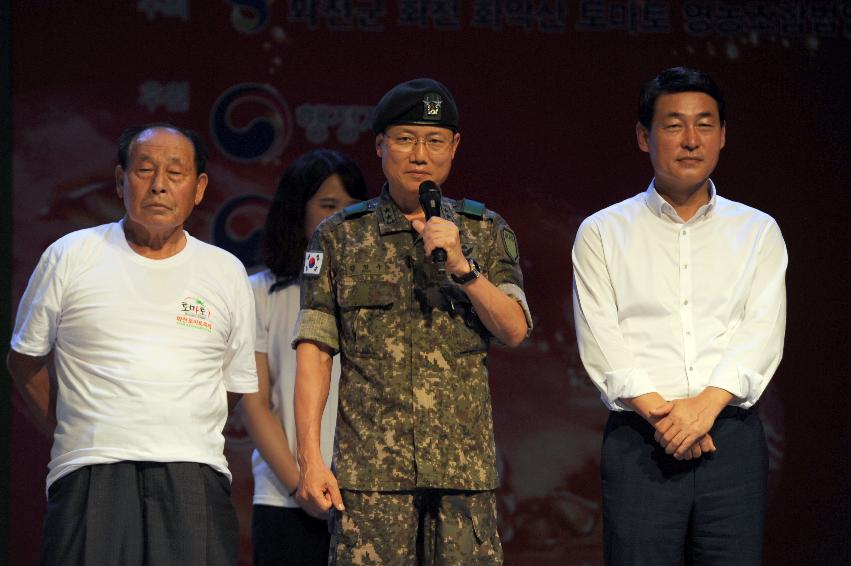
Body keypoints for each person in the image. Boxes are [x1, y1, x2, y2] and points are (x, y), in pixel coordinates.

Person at [292, 78, 533, 564]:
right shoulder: (338, 237)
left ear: (454, 147)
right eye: (405, 139)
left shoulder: (484, 232)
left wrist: (464, 269)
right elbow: (314, 353)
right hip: (371, 480)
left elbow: (514, 329)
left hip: (461, 477)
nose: (419, 154)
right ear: (380, 144)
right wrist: (310, 459)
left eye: (434, 141)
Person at [7, 123, 258, 565]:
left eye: (175, 173)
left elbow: (232, 384)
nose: (159, 184)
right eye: (145, 170)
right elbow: (23, 361)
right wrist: (73, 427)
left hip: (193, 474)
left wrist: (177, 427)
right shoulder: (70, 254)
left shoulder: (225, 271)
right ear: (121, 180)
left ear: (199, 188)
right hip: (91, 471)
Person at [572, 67, 787, 565]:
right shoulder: (603, 231)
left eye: (705, 124)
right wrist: (668, 419)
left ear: (723, 135)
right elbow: (602, 338)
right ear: (644, 137)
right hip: (641, 441)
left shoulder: (757, 231)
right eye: (673, 125)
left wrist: (704, 409)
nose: (691, 140)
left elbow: (760, 332)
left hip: (730, 439)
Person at [241, 149, 367, 565]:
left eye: (352, 209)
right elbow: (256, 403)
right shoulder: (258, 292)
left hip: (374, 500)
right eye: (328, 206)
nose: (342, 220)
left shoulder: (382, 296)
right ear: (299, 212)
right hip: (285, 499)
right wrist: (301, 486)